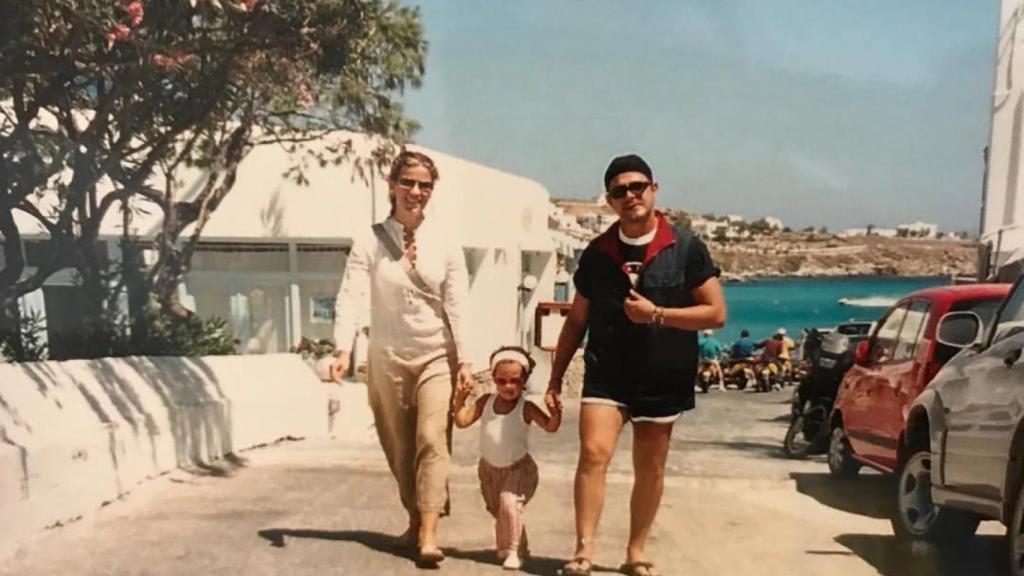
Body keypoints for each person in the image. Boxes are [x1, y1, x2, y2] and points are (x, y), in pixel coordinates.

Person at [545, 154, 727, 576]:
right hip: (606, 371)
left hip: (663, 374)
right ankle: (584, 550)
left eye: (637, 187)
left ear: (654, 190)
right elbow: (577, 320)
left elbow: (716, 314)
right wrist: (554, 378)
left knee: (651, 466)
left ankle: (636, 551)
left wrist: (658, 315)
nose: (630, 196)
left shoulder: (685, 248)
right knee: (593, 453)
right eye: (619, 191)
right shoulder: (596, 253)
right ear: (609, 201)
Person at [329, 150, 474, 566]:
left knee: (432, 439)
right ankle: (414, 519)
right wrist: (343, 348)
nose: (416, 192)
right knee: (398, 445)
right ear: (392, 185)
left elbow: (457, 302)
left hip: (435, 355)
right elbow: (351, 295)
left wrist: (464, 359)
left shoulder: (446, 242)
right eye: (408, 182)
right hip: (387, 356)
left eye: (424, 185)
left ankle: (428, 534)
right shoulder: (370, 240)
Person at [452, 346, 561, 571]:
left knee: (509, 504)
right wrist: (460, 399)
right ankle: (514, 546)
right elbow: (462, 420)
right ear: (493, 379)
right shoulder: (485, 403)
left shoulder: (526, 408)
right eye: (501, 381)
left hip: (518, 469)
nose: (508, 387)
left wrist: (556, 413)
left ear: (524, 381)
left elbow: (550, 427)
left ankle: (513, 551)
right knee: (497, 509)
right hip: (489, 468)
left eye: (515, 381)